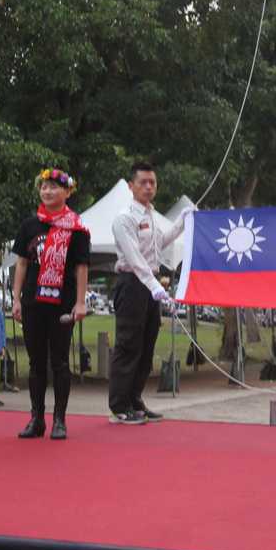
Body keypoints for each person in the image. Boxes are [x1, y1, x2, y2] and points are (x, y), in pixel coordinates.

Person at [11, 168, 90, 439]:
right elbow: (21, 262)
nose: (47, 191)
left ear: (67, 192)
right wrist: (16, 298)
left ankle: (60, 419)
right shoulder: (29, 225)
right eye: (44, 186)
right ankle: (36, 418)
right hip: (33, 300)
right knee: (36, 362)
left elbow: (81, 267)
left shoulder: (77, 227)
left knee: (59, 361)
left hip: (61, 301)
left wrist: (80, 302)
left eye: (54, 187)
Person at [108, 162, 189, 425]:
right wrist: (155, 286)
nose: (148, 187)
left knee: (146, 345)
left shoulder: (151, 216)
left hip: (149, 283)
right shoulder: (125, 218)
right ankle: (119, 405)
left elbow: (158, 245)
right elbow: (134, 258)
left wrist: (181, 223)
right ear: (131, 186)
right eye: (143, 182)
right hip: (132, 282)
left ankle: (134, 399)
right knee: (128, 344)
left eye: (152, 182)